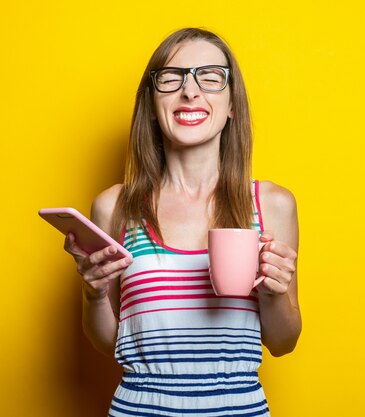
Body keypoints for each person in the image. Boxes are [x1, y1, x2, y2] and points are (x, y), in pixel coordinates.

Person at [63, 27, 301, 416]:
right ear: (152, 103)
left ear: (231, 105)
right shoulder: (114, 207)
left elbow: (283, 342)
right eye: (171, 78)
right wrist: (93, 295)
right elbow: (108, 342)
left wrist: (275, 292)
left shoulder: (272, 204)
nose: (190, 91)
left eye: (210, 77)